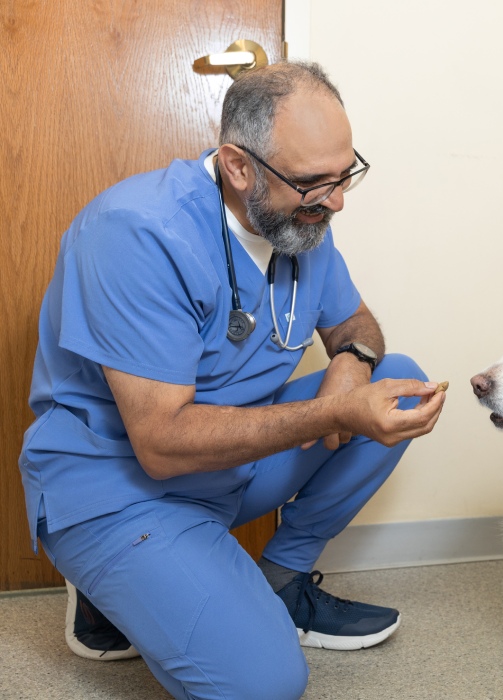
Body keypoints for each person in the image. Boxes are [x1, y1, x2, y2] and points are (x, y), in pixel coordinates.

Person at [18, 61, 446, 700]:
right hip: (120, 485)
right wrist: (334, 414)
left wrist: (350, 366)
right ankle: (115, 584)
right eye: (313, 182)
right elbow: (161, 445)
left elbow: (354, 320)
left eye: (344, 174)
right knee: (265, 684)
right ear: (238, 166)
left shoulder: (299, 224)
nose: (337, 201)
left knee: (399, 377)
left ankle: (280, 581)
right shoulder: (134, 232)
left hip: (226, 469)